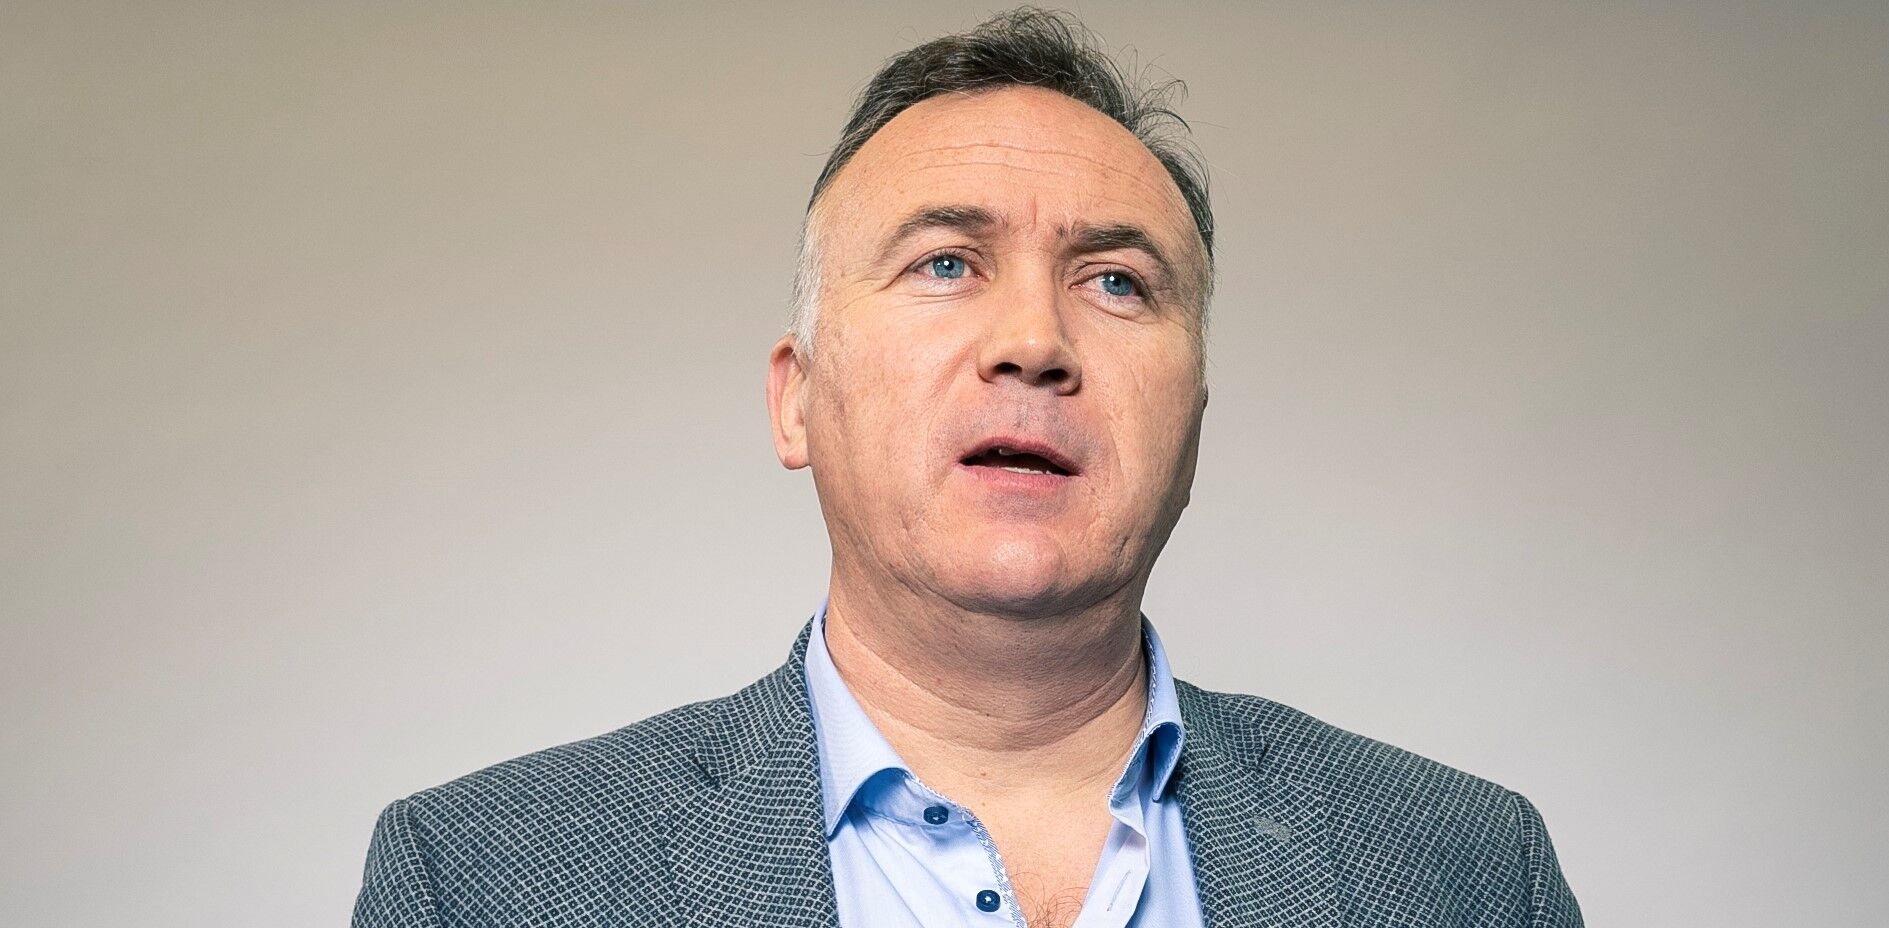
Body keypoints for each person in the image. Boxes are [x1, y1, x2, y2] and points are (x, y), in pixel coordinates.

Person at [353, 9, 1582, 927]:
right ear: (795, 398)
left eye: (1116, 282)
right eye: (944, 262)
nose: (1033, 342)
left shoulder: (1472, 871)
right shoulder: (476, 879)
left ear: (1193, 426)